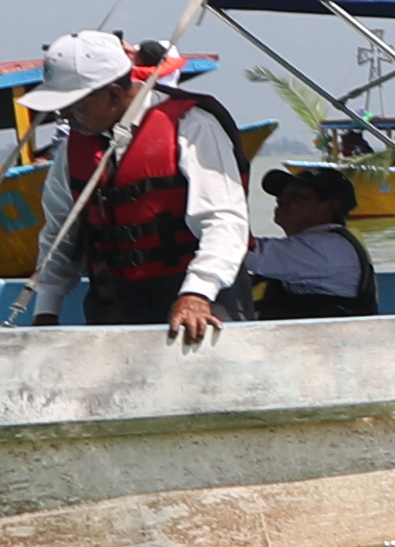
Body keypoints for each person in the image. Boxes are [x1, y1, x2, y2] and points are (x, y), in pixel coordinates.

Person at [25, 28, 250, 341]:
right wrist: (46, 311)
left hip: (199, 301)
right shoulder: (73, 149)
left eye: (73, 104)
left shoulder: (192, 128)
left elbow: (224, 222)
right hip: (115, 305)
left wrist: (198, 294)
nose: (63, 115)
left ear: (114, 94)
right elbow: (59, 235)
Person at [236, 165, 382, 318]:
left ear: (330, 207)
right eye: (283, 193)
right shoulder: (332, 242)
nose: (281, 199)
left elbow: (237, 251)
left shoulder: (326, 247)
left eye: (297, 195)